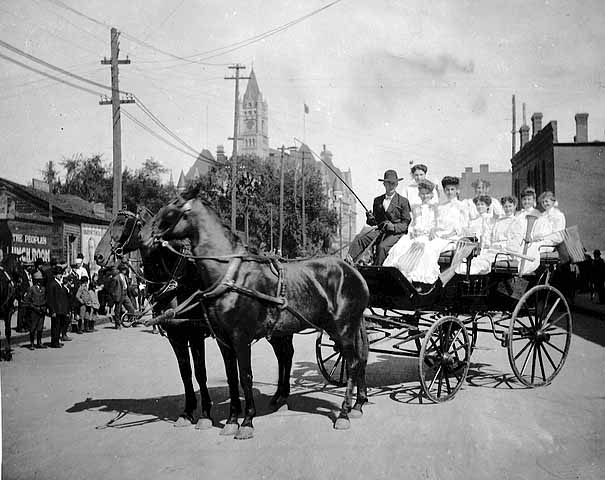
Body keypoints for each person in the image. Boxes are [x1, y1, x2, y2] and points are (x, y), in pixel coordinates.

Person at [347, 169, 411, 265]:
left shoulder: (403, 201)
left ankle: (377, 269)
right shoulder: (377, 201)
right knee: (360, 239)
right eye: (388, 183)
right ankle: (348, 264)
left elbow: (406, 224)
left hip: (396, 233)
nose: (391, 186)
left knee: (382, 247)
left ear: (397, 184)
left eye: (393, 183)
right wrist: (370, 218)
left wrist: (393, 227)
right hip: (381, 231)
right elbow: (375, 222)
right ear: (384, 184)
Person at [383, 179, 439, 281]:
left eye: (427, 194)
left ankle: (412, 276)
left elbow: (436, 223)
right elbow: (412, 222)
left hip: (427, 236)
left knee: (423, 248)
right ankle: (400, 273)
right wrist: (412, 230)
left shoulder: (435, 208)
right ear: (419, 194)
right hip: (416, 234)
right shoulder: (415, 207)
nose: (424, 196)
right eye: (422, 194)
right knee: (401, 246)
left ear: (431, 195)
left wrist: (433, 230)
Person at [46, 265, 71, 348]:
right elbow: (50, 299)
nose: (60, 275)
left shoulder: (60, 284)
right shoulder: (52, 284)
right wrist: (52, 310)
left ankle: (57, 341)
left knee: (59, 326)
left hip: (61, 310)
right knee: (55, 327)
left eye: (61, 274)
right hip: (56, 310)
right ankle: (54, 342)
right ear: (54, 275)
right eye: (58, 274)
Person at [22, 270, 47, 350]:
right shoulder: (31, 289)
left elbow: (46, 299)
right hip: (34, 310)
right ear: (35, 281)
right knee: (33, 328)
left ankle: (39, 342)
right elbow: (27, 301)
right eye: (38, 280)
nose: (40, 282)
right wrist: (33, 307)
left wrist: (44, 308)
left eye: (41, 280)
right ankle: (32, 343)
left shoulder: (43, 289)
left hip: (42, 309)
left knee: (40, 327)